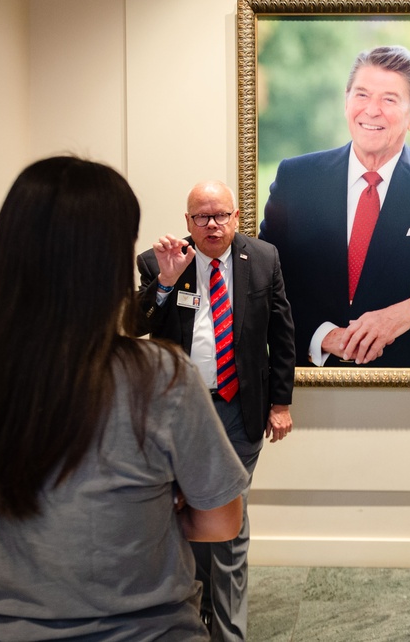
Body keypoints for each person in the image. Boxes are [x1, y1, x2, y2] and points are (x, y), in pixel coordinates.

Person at [0, 156, 246, 640]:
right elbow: (222, 520)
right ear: (107, 261)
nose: (212, 223)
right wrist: (151, 511)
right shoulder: (159, 377)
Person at [259, 44, 410, 368]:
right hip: (305, 382)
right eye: (361, 95)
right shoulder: (297, 177)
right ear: (346, 101)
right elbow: (264, 275)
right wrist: (322, 336)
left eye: (389, 99)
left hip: (409, 383)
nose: (371, 110)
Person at [136, 179, 296, 641]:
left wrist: (281, 404)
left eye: (221, 215)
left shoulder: (263, 258)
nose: (212, 224)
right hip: (178, 413)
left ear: (236, 217)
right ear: (187, 222)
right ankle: (197, 611)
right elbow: (137, 325)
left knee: (227, 519)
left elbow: (283, 335)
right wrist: (166, 281)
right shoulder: (161, 261)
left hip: (239, 408)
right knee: (188, 516)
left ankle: (228, 631)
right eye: (202, 216)